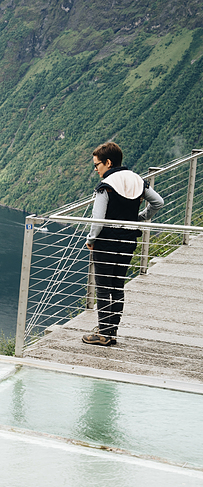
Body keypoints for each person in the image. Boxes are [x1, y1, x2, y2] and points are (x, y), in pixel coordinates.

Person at [82, 141, 164, 346]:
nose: (95, 169)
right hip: (128, 241)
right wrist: (141, 217)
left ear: (108, 163)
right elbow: (158, 202)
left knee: (102, 287)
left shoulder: (105, 186)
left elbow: (98, 219)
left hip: (105, 242)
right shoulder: (137, 180)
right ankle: (112, 332)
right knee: (117, 286)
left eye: (97, 165)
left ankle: (102, 333)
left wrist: (90, 239)